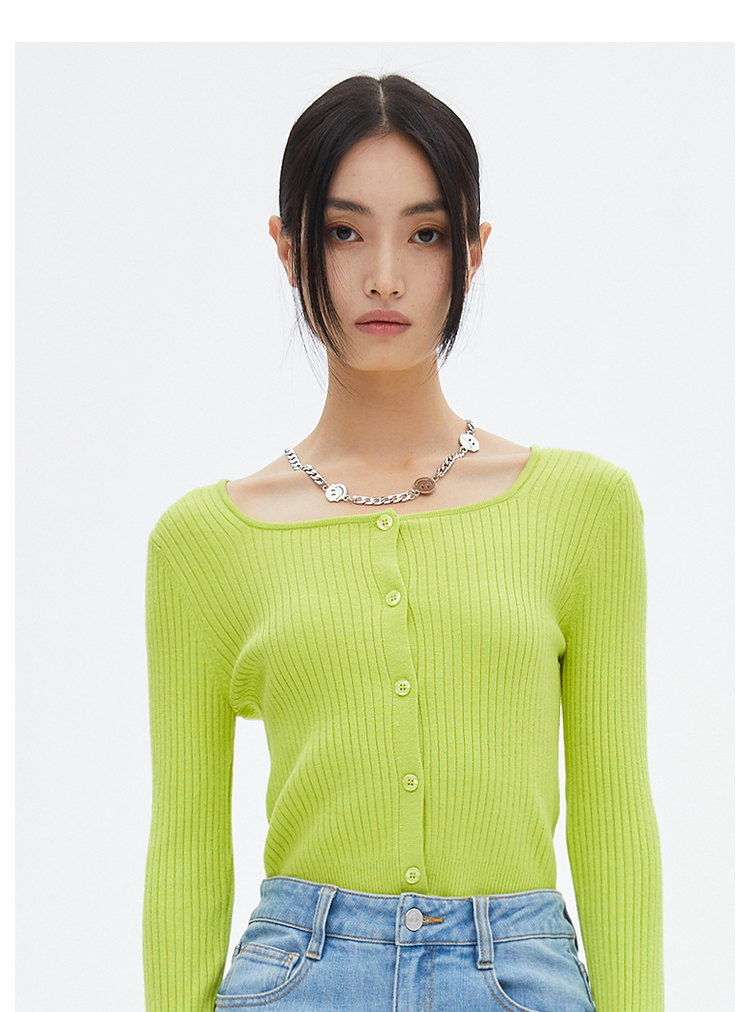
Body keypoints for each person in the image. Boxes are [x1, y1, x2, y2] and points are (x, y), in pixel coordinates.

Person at [142, 74, 664, 1012]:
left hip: (521, 977)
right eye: (344, 232)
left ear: (473, 252)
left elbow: (614, 813)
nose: (384, 275)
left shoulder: (582, 509)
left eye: (425, 235)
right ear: (289, 248)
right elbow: (185, 844)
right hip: (296, 977)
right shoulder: (205, 542)